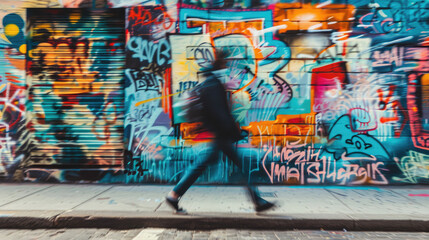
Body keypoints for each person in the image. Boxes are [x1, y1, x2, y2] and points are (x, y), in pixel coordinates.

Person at [165, 51, 275, 214]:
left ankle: (257, 200)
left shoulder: (212, 82)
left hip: (219, 135)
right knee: (213, 165)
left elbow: (219, 112)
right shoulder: (214, 84)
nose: (229, 70)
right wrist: (235, 133)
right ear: (221, 66)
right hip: (220, 135)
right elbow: (220, 113)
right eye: (226, 65)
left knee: (208, 165)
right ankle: (174, 194)